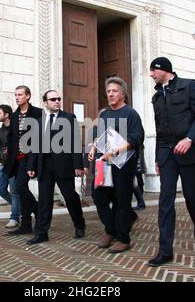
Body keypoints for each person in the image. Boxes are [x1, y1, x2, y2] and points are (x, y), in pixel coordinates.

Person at [148, 57, 195, 267]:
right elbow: (159, 130)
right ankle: (165, 250)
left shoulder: (190, 86)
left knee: (193, 197)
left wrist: (190, 139)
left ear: (163, 70)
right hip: (167, 154)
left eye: (152, 71)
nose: (151, 75)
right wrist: (158, 157)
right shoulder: (157, 97)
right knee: (165, 201)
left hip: (190, 152)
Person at [88, 77, 145, 254]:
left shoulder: (131, 113)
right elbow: (99, 135)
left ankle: (122, 238)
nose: (110, 94)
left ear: (122, 94)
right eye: (108, 91)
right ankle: (111, 229)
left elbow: (136, 138)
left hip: (123, 164)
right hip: (104, 164)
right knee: (98, 196)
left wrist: (115, 151)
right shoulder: (104, 114)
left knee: (122, 200)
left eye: (114, 91)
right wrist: (93, 147)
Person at [26, 90, 86, 244]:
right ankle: (41, 232)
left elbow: (75, 143)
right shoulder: (39, 121)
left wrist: (78, 165)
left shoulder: (68, 118)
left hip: (64, 166)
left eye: (59, 99)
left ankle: (79, 225)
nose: (57, 101)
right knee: (44, 200)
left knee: (70, 197)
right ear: (45, 103)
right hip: (44, 167)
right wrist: (31, 165)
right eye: (53, 99)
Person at [4, 86, 43, 235]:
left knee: (20, 186)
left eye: (20, 95)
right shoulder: (14, 116)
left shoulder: (38, 113)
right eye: (15, 95)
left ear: (28, 96)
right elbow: (11, 137)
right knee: (20, 190)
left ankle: (39, 213)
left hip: (31, 156)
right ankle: (26, 224)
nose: (17, 97)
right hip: (16, 158)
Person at [0, 104, 21, 229]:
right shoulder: (1, 130)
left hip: (13, 164)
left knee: (14, 192)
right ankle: (19, 208)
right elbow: (0, 146)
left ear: (6, 114)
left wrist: (11, 151)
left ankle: (14, 217)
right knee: (0, 190)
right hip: (2, 164)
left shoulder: (15, 128)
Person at [133, 144, 147, 211]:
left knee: (136, 182)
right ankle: (141, 202)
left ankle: (141, 203)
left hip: (136, 160)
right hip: (136, 160)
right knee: (137, 182)